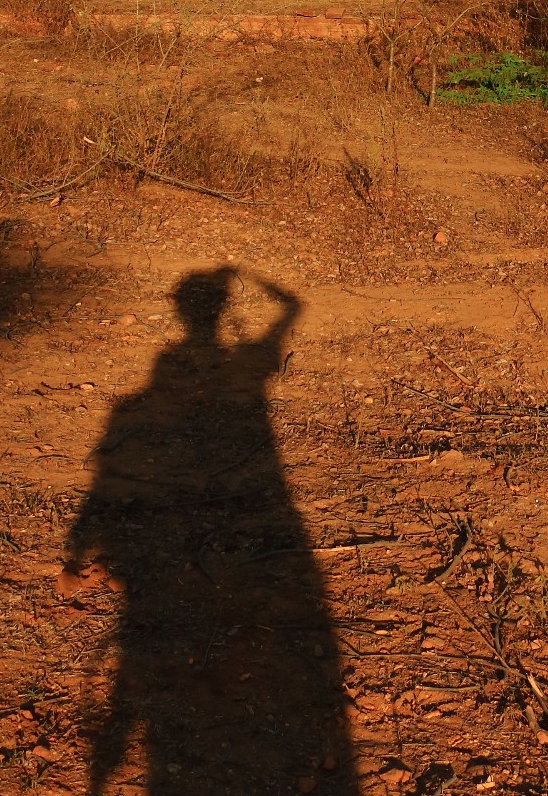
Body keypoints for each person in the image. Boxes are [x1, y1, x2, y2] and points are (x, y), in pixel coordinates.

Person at [64, 266, 357, 794]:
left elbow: (104, 480)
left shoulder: (153, 387)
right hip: (250, 502)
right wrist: (266, 285)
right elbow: (292, 310)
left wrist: (77, 548)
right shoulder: (242, 361)